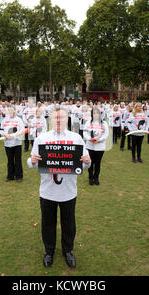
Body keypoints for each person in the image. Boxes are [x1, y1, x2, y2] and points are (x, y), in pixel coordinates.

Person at [27, 106, 91, 268]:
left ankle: (67, 250)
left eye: (61, 117)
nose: (58, 120)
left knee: (69, 223)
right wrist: (32, 161)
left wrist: (87, 161)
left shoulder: (76, 138)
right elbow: (32, 163)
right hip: (47, 191)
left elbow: (82, 166)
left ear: (67, 119)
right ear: (50, 120)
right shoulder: (42, 138)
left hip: (68, 192)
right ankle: (49, 251)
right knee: (47, 223)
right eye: (55, 118)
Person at [83, 106, 109, 186]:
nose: (96, 115)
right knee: (90, 163)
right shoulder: (88, 122)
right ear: (92, 114)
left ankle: (96, 178)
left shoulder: (104, 123)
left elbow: (106, 133)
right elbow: (85, 132)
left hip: (100, 146)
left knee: (98, 163)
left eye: (97, 113)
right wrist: (90, 139)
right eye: (94, 113)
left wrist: (99, 140)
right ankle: (91, 178)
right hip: (90, 146)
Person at [0, 106, 25, 182]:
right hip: (7, 143)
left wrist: (15, 134)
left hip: (17, 143)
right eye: (9, 110)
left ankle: (19, 176)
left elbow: (23, 130)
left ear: (14, 111)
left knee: (18, 160)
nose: (10, 111)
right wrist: (5, 135)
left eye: (12, 110)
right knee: (10, 160)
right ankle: (10, 176)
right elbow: (1, 130)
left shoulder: (19, 120)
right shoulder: (4, 120)